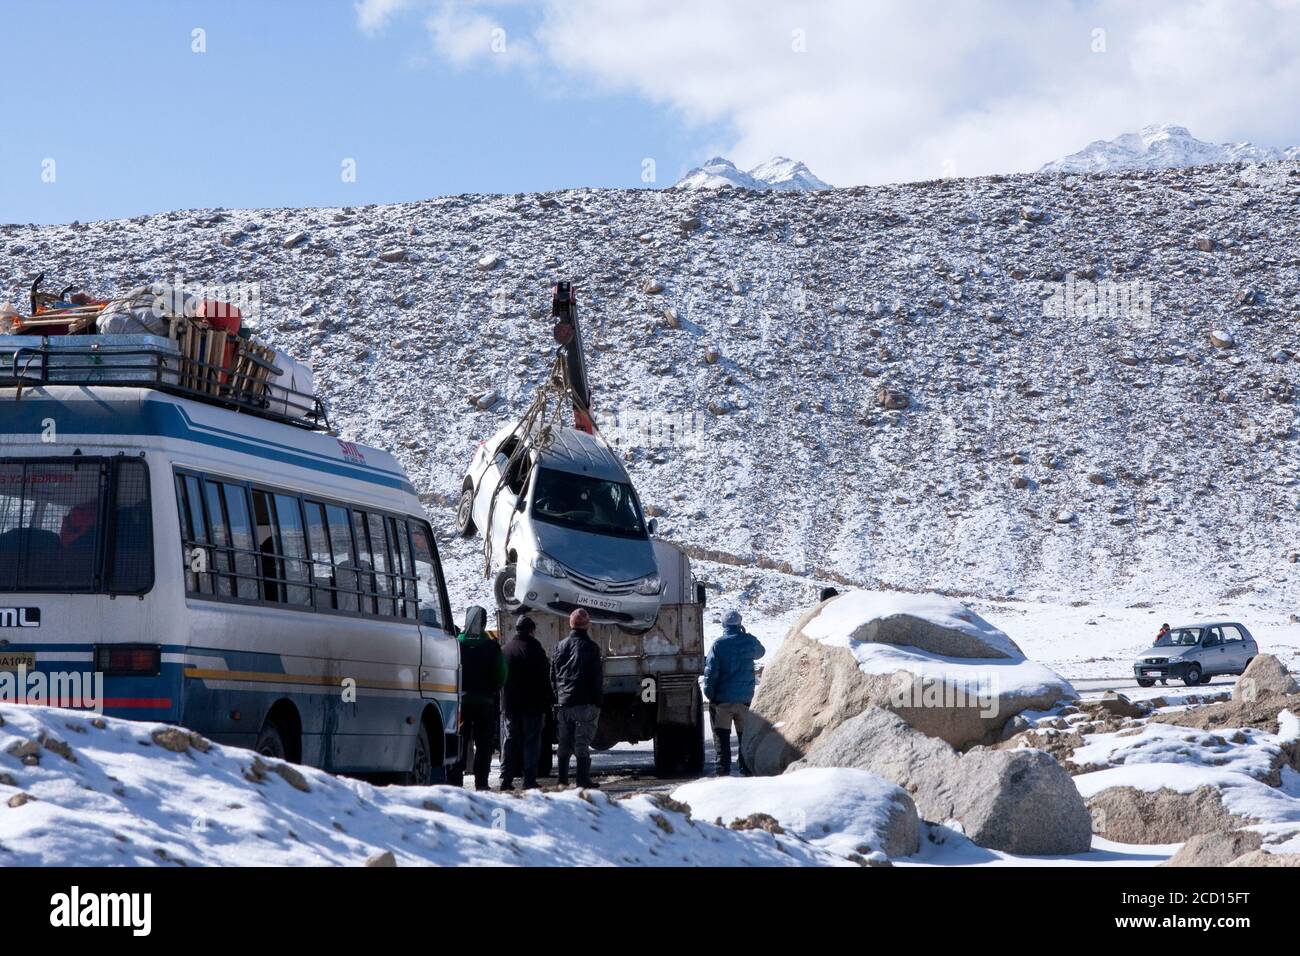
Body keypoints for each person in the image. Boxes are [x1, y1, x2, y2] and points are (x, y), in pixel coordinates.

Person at [703, 610, 765, 777]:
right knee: (744, 738)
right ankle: (746, 770)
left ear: (724, 625)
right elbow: (761, 652)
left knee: (722, 738)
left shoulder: (718, 645)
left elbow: (710, 673)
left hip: (722, 701)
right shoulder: (749, 641)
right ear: (740, 623)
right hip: (745, 700)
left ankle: (723, 772)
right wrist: (747, 635)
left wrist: (710, 694)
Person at [551, 607, 603, 788]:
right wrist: (597, 702)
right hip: (584, 702)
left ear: (570, 624)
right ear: (587, 625)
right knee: (582, 741)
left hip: (564, 702)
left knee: (564, 742)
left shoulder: (559, 646)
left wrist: (558, 697)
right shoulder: (592, 648)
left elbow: (553, 674)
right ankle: (582, 779)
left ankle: (562, 779)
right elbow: (597, 678)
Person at [455, 605, 506, 790]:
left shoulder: (456, 644)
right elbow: (502, 674)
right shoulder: (492, 646)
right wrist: (492, 689)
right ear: (483, 623)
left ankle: (456, 781)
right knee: (483, 746)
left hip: (461, 704)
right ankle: (481, 783)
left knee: (460, 742)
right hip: (484, 703)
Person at [500, 614, 553, 790]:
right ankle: (529, 779)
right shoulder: (535, 649)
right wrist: (548, 701)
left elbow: (499, 678)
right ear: (531, 630)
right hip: (533, 705)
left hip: (510, 705)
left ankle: (505, 779)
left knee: (510, 741)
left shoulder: (506, 650)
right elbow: (546, 678)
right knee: (531, 741)